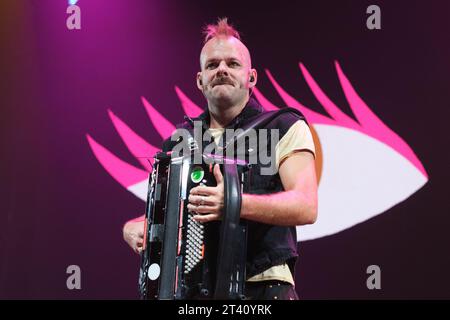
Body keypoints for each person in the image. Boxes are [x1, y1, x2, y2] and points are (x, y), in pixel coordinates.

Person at [123, 17, 318, 300]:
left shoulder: (283, 126)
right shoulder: (182, 139)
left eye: (232, 64)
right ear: (200, 81)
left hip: (261, 289)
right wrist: (136, 226)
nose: (222, 70)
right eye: (212, 65)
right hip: (193, 294)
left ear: (251, 78)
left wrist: (233, 203)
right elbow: (169, 212)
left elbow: (306, 205)